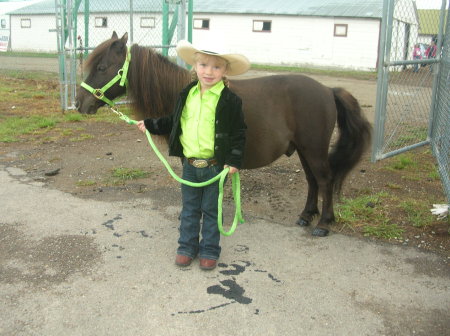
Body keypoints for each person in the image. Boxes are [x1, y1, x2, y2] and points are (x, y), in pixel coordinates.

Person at [136, 40, 250, 270]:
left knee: (210, 209)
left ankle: (209, 249)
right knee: (189, 208)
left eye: (216, 67)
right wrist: (150, 124)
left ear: (225, 71)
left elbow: (239, 132)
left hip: (215, 167)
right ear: (195, 67)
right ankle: (186, 247)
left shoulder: (230, 101)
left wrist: (233, 160)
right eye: (204, 65)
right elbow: (173, 121)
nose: (209, 72)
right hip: (190, 165)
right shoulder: (186, 94)